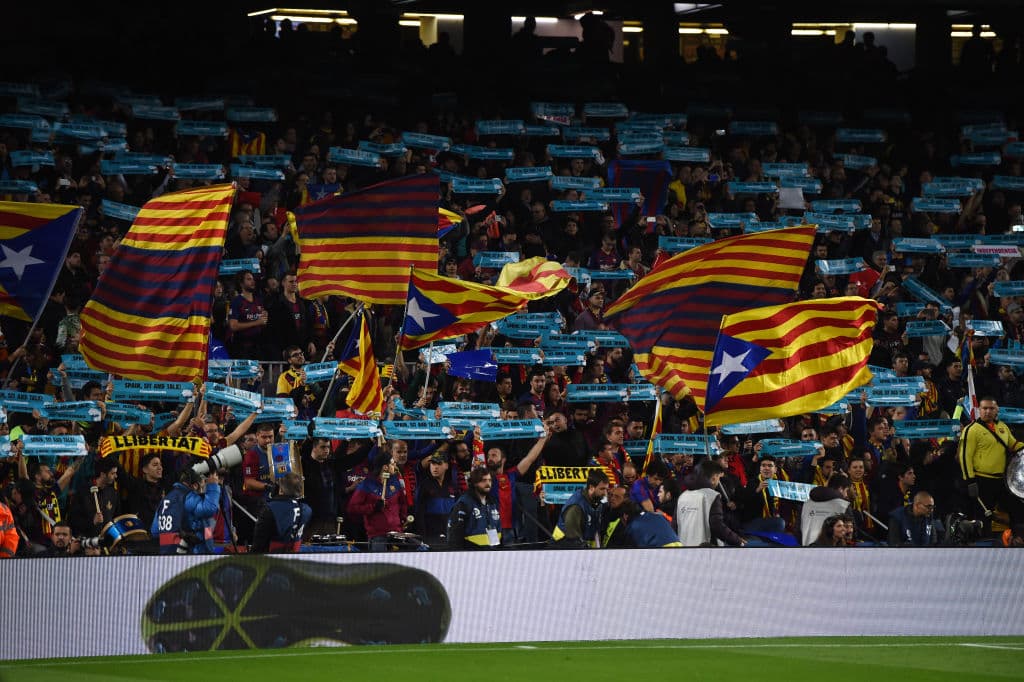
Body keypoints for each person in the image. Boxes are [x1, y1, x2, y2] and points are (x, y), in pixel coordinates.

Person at [958, 397, 1024, 534]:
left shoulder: (1002, 427)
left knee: (1016, 510)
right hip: (982, 480)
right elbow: (964, 457)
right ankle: (982, 547)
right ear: (979, 410)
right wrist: (970, 481)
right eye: (984, 408)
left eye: (991, 408)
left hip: (1002, 480)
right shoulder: (971, 429)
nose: (988, 411)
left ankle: (1016, 539)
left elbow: (1013, 445)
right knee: (983, 516)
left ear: (997, 411)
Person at [151, 469, 222, 554]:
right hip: (192, 555)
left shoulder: (165, 499)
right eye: (203, 483)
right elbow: (209, 509)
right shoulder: (189, 497)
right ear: (195, 485)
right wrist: (213, 486)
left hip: (167, 553)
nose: (204, 488)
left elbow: (154, 531)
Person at [347, 452, 407, 551]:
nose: (395, 466)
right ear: (385, 467)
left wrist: (402, 519)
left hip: (396, 534)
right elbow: (352, 508)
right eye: (392, 464)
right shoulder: (367, 485)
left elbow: (402, 503)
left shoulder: (395, 482)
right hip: (377, 537)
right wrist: (373, 507)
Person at [252, 472, 312, 553]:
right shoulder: (307, 510)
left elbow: (258, 545)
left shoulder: (270, 509)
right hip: (295, 559)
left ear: (280, 489)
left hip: (272, 560)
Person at [446, 466, 502, 550]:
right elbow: (454, 534)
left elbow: (499, 529)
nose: (488, 484)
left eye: (489, 480)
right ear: (475, 483)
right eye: (484, 480)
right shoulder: (464, 503)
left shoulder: (492, 502)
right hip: (472, 554)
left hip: (493, 554)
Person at [551, 469, 609, 547]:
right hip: (561, 550)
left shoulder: (596, 501)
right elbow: (574, 542)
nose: (605, 493)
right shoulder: (575, 508)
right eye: (602, 489)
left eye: (606, 489)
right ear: (591, 487)